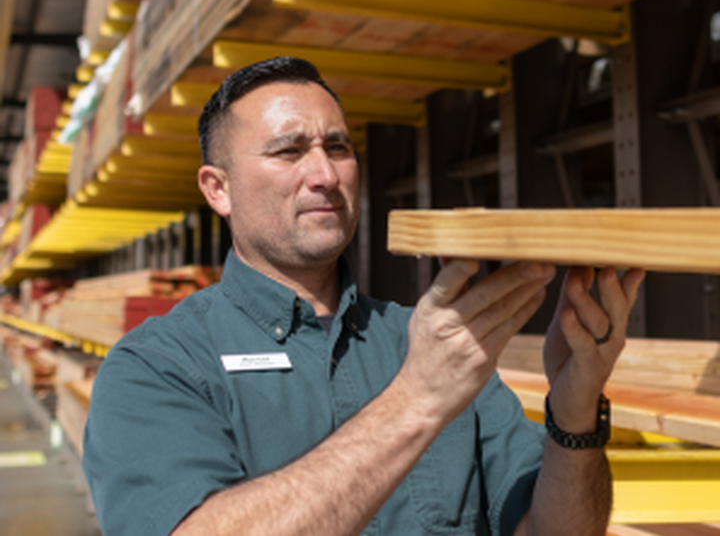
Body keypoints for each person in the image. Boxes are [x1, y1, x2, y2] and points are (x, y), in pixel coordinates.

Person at [82, 56, 644, 536]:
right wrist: (419, 399)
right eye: (288, 151)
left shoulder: (426, 343)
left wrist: (573, 417)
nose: (325, 172)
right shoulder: (157, 366)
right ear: (218, 188)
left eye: (338, 146)